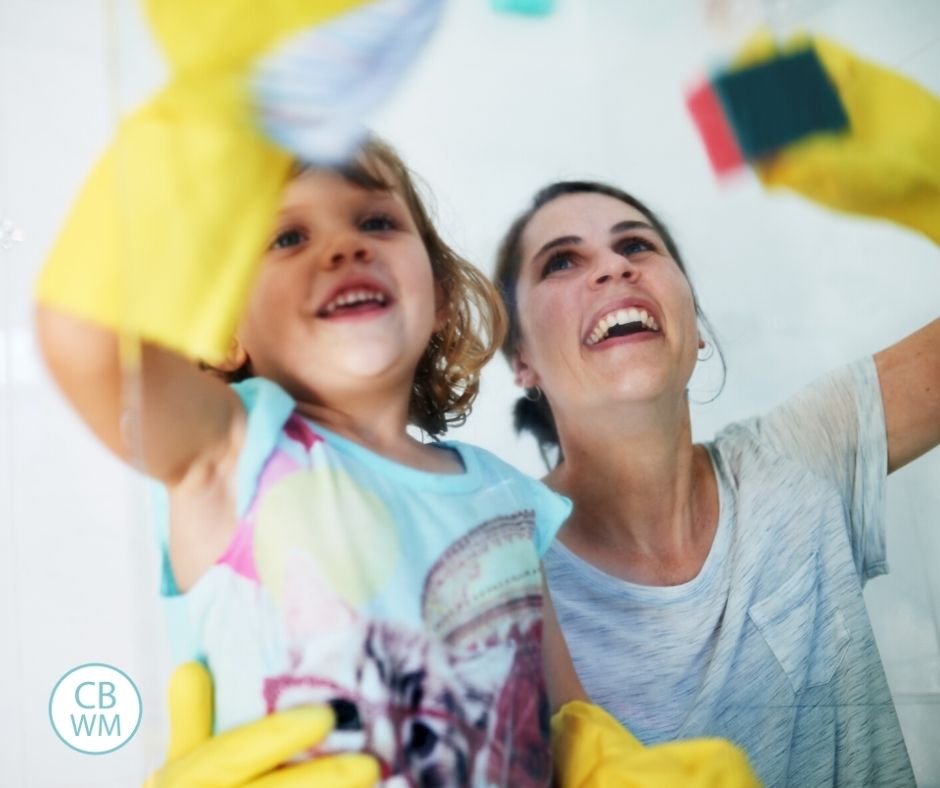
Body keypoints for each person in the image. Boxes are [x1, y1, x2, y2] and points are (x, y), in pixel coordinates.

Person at [492, 38, 940, 787]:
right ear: (522, 362)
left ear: (695, 325)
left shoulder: (798, 455)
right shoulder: (503, 583)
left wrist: (929, 171)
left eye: (637, 243)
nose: (613, 265)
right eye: (561, 261)